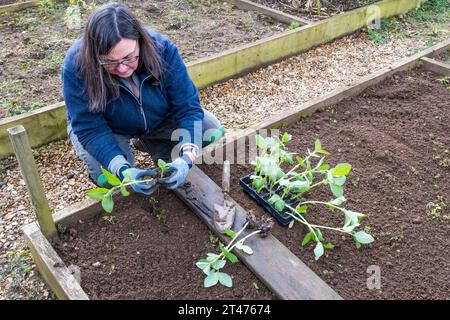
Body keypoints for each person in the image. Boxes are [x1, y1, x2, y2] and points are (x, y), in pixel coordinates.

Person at [62, 2, 224, 195]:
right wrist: (123, 170)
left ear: (139, 40)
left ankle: (151, 141)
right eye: (110, 62)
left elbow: (187, 106)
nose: (122, 69)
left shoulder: (162, 49)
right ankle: (131, 149)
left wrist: (186, 158)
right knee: (108, 178)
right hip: (109, 127)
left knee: (209, 130)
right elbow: (90, 127)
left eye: (129, 57)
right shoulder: (76, 65)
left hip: (159, 118)